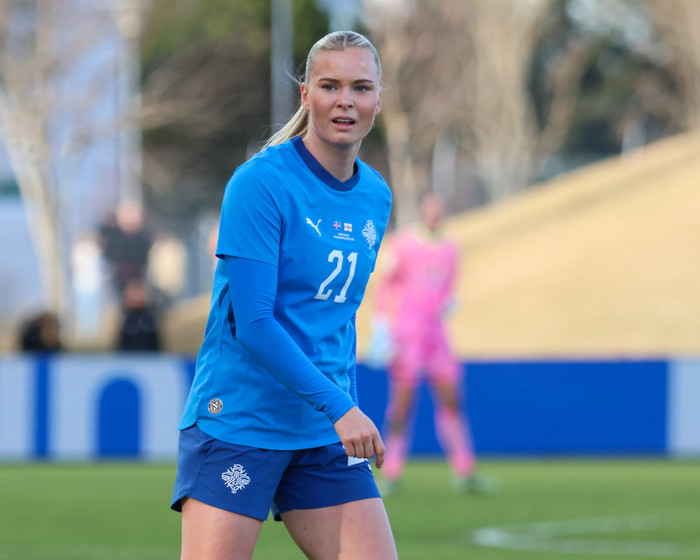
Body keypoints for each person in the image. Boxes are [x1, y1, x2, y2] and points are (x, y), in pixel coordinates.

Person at [171, 31, 398, 560]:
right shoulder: (259, 184)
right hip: (242, 419)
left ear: (378, 99)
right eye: (330, 86)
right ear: (305, 95)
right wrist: (341, 406)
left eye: (361, 87)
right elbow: (254, 323)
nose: (345, 101)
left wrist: (344, 404)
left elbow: (337, 319)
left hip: (322, 430)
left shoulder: (375, 194)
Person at [371, 194, 494, 495]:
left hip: (437, 335)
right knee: (402, 404)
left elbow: (449, 286)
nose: (435, 217)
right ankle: (391, 471)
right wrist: (381, 327)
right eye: (431, 212)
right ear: (422, 214)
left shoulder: (451, 248)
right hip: (407, 334)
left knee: (452, 399)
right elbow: (385, 285)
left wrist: (449, 302)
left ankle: (464, 470)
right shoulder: (403, 244)